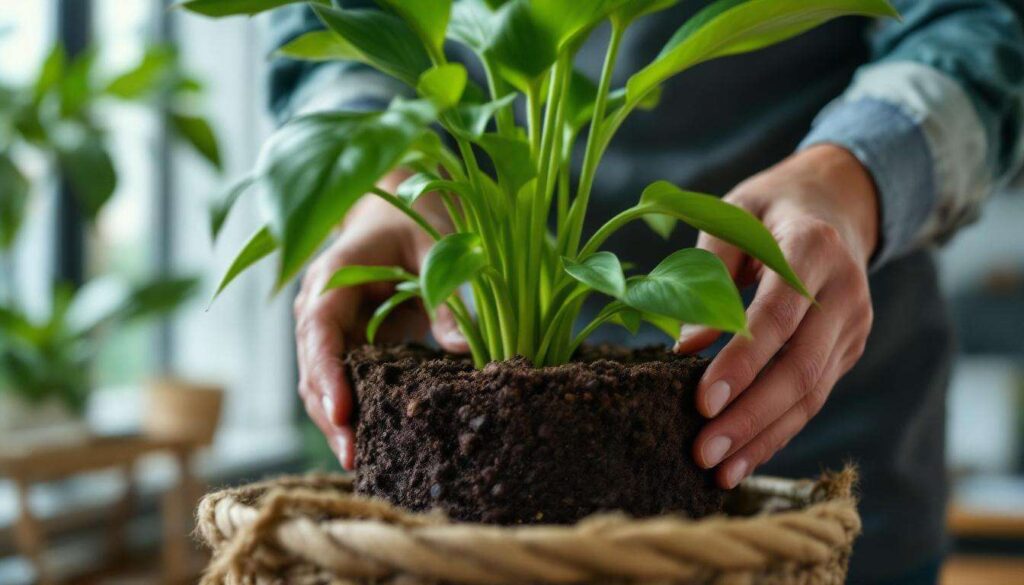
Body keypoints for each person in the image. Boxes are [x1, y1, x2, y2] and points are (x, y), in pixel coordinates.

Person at [268, 1, 1024, 583]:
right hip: (447, 546)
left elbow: (981, 24)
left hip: (811, 474)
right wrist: (383, 176)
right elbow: (332, 24)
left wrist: (852, 177)